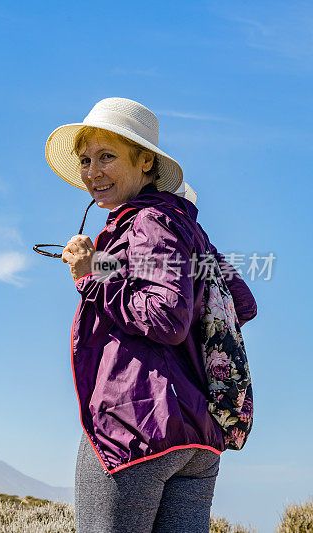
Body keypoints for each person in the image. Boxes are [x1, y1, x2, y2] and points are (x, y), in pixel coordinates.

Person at [44, 97, 258, 532]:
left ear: (145, 162)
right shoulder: (187, 228)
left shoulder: (146, 221)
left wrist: (89, 279)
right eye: (85, 160)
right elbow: (241, 301)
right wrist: (97, 265)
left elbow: (165, 317)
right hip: (197, 437)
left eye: (107, 156)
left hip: (137, 421)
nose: (91, 172)